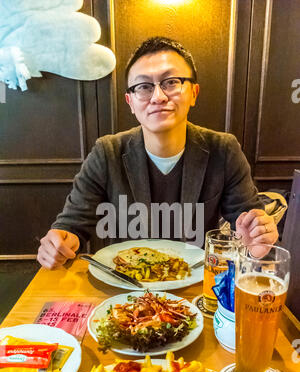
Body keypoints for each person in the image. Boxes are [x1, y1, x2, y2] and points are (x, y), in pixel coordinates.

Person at [37, 37, 278, 269]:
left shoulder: (223, 150)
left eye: (171, 82)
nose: (158, 97)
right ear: (130, 101)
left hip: (194, 286)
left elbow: (249, 221)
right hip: (125, 288)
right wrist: (59, 242)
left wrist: (258, 238)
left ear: (193, 93)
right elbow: (71, 225)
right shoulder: (106, 152)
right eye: (143, 86)